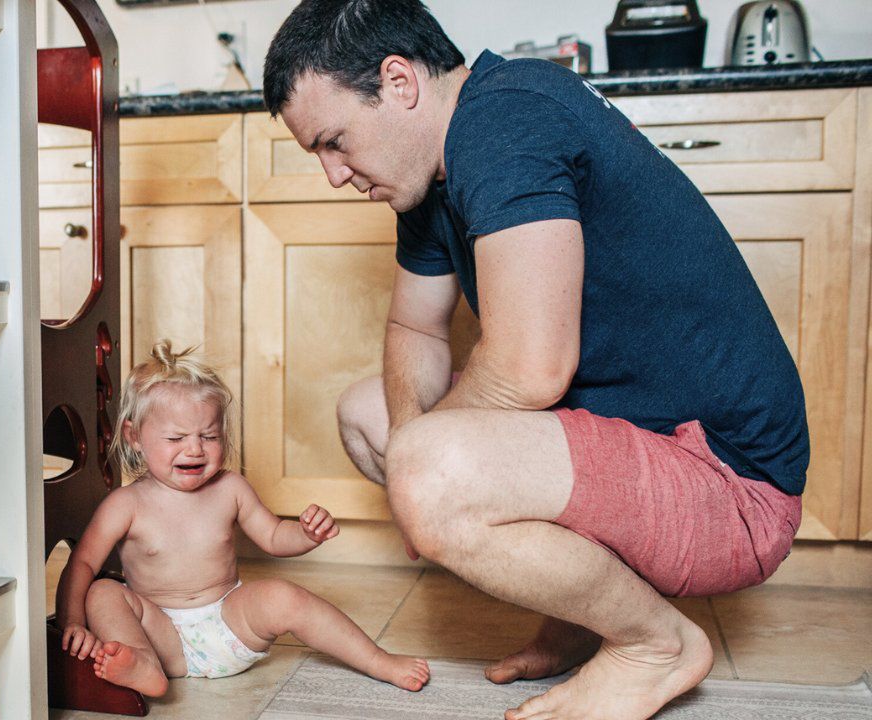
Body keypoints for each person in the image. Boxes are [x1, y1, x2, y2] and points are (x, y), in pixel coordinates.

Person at [262, 1, 808, 719]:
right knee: (369, 416)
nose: (334, 174)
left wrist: (419, 471)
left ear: (398, 82)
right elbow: (414, 327)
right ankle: (587, 615)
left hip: (731, 483)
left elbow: (529, 370)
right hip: (646, 444)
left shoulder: (502, 120)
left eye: (335, 142)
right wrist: (409, 449)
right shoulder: (435, 169)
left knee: (430, 466)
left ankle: (656, 643)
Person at [55, 340, 431, 697]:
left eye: (210, 436)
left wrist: (305, 534)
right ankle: (141, 663)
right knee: (103, 592)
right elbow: (84, 561)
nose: (195, 449)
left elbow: (273, 537)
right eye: (176, 438)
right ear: (134, 436)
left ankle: (377, 660)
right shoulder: (126, 504)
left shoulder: (230, 488)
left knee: (283, 595)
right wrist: (72, 623)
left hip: (230, 624)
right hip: (160, 636)